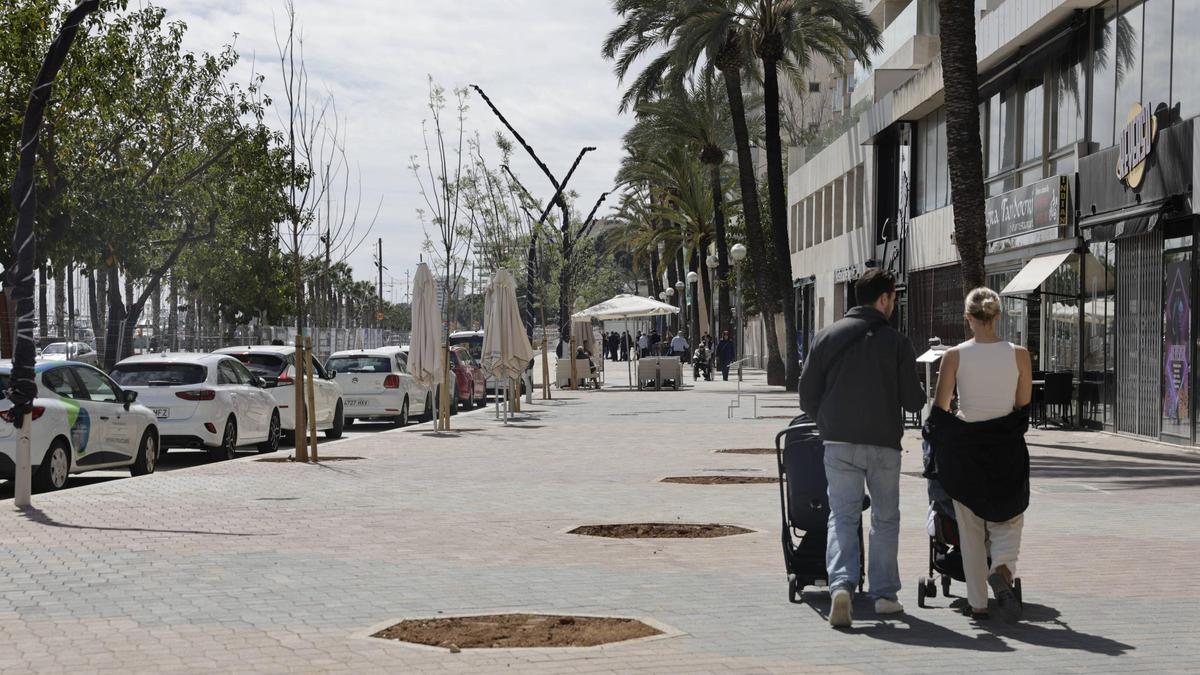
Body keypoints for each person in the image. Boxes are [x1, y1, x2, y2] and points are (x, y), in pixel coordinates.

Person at [798, 269, 924, 628]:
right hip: (884, 445)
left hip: (838, 441)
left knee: (842, 515)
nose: (894, 305)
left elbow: (806, 395)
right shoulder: (897, 342)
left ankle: (841, 585)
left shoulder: (826, 336)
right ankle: (884, 596)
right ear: (883, 299)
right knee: (885, 519)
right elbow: (914, 403)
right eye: (893, 298)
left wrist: (827, 417)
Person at [925, 287, 1032, 623]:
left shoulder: (954, 356)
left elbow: (941, 406)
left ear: (968, 318)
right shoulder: (1020, 355)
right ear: (998, 315)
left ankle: (978, 605)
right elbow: (1022, 404)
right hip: (1005, 449)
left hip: (966, 452)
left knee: (970, 532)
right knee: (1009, 518)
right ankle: (1001, 569)